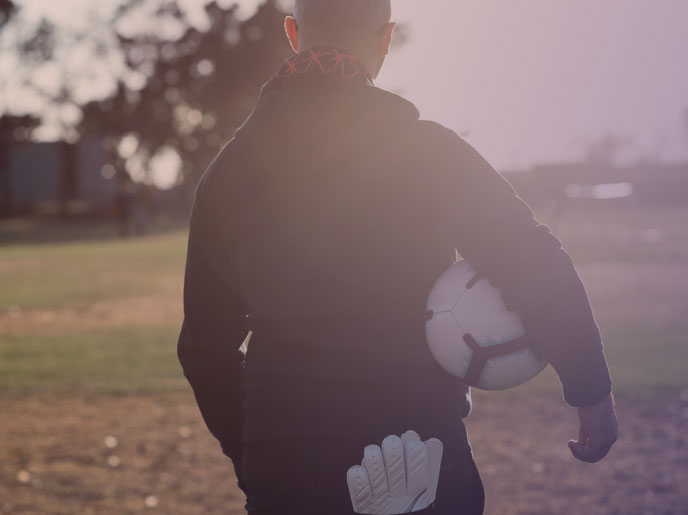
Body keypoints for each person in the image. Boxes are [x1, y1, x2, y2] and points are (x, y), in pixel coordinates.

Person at [177, 0, 618, 513]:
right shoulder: (429, 151)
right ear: (386, 38)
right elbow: (530, 258)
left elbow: (204, 351)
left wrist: (256, 456)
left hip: (287, 463)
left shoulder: (225, 176)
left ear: (293, 33)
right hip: (418, 450)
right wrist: (589, 387)